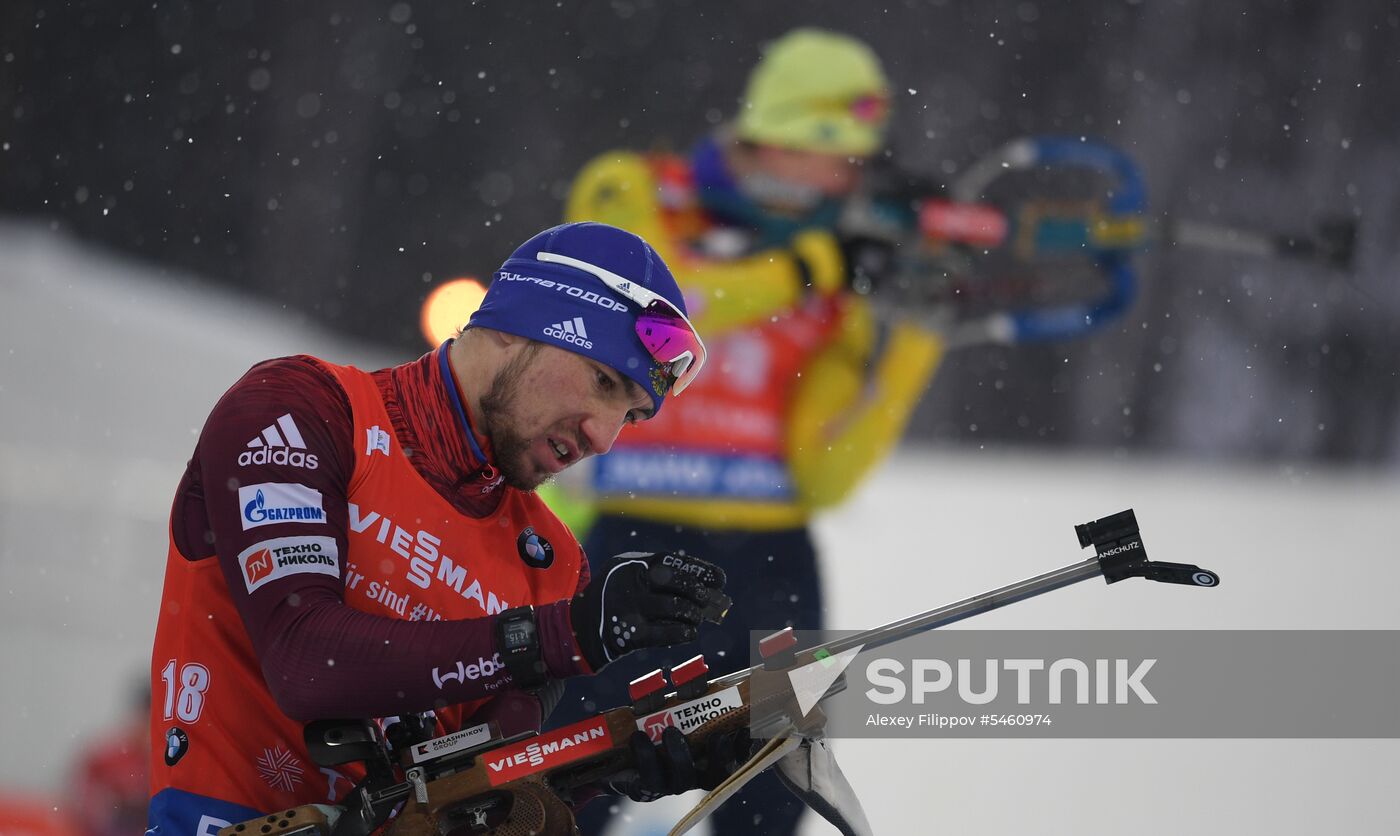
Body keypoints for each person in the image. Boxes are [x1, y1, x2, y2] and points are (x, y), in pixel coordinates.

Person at [145, 222, 743, 834]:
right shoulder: (299, 410)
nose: (604, 436)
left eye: (631, 415)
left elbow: (471, 797)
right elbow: (302, 660)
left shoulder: (553, 563)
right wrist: (560, 636)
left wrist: (611, 771)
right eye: (604, 382)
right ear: (519, 324)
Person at [551, 28, 945, 834]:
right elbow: (659, 307)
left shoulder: (838, 262)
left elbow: (823, 474)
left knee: (766, 804)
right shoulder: (634, 190)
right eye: (836, 154)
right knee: (569, 781)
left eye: (859, 162)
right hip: (629, 538)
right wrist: (809, 266)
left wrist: (913, 334)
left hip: (770, 561)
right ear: (782, 137)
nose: (847, 177)